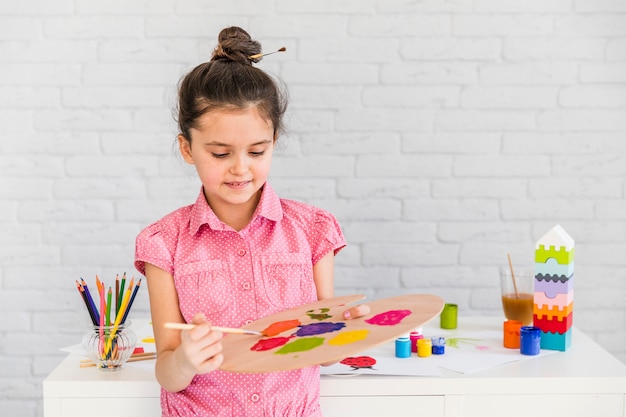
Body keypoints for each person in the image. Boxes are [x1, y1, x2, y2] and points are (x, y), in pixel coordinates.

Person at [134, 26, 368, 417]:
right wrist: (186, 360)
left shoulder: (312, 231)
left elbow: (325, 355)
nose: (240, 169)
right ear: (187, 148)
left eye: (257, 151)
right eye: (220, 153)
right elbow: (168, 372)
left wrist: (347, 333)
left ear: (273, 142)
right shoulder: (164, 242)